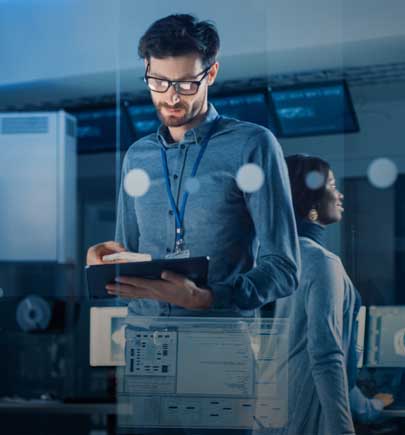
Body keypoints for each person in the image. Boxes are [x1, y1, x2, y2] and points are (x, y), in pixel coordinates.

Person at [86, 14, 299, 317]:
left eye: (186, 84)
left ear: (211, 73)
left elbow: (284, 269)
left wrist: (207, 297)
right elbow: (128, 263)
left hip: (217, 344)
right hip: (145, 343)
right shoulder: (137, 156)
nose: (171, 96)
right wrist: (105, 263)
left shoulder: (252, 145)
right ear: (147, 70)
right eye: (158, 81)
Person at [272, 154, 393, 435]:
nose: (339, 195)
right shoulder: (321, 262)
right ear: (311, 199)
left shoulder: (278, 259)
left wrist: (370, 407)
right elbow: (327, 358)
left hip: (273, 413)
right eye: (331, 185)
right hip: (307, 418)